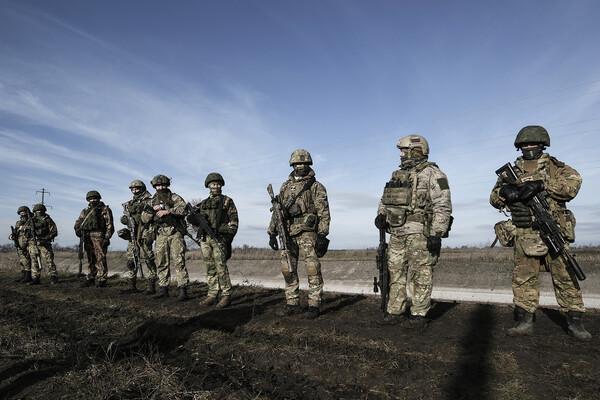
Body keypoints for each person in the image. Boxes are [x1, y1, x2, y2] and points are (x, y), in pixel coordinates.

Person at [490, 125, 591, 341]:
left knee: (565, 275)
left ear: (542, 144)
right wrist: (505, 192)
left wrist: (542, 184)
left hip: (553, 228)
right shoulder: (512, 171)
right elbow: (494, 197)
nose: (528, 147)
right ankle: (524, 321)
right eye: (524, 144)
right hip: (525, 232)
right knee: (523, 279)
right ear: (519, 146)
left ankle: (575, 321)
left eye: (532, 143)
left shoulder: (556, 167)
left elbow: (572, 187)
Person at [374, 135, 452, 327]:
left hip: (420, 232)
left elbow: (443, 204)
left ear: (415, 150)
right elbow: (385, 198)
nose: (401, 154)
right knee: (395, 273)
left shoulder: (436, 174)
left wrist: (437, 232)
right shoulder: (396, 175)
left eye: (403, 150)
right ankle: (395, 310)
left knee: (421, 274)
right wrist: (381, 215)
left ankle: (419, 314)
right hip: (396, 232)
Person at [268, 149, 330, 319]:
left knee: (312, 268)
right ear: (292, 165)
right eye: (297, 163)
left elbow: (323, 212)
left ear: (308, 164)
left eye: (303, 163)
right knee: (287, 269)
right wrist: (272, 232)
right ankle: (292, 302)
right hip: (287, 232)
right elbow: (277, 211)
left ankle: (314, 303)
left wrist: (323, 234)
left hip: (307, 232)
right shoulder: (285, 186)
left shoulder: (316, 187)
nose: (300, 166)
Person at [189, 173, 238, 309]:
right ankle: (212, 294)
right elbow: (191, 217)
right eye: (212, 184)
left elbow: (234, 221)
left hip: (220, 238)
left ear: (221, 185)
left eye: (217, 184)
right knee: (210, 267)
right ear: (208, 186)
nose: (215, 186)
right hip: (205, 239)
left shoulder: (227, 201)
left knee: (221, 266)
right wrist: (193, 218)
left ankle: (226, 295)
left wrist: (228, 238)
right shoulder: (203, 203)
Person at [141, 174, 190, 300]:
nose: (160, 187)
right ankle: (163, 288)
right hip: (160, 233)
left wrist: (168, 211)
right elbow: (144, 218)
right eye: (158, 185)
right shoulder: (151, 201)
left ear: (167, 185)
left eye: (163, 185)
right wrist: (152, 210)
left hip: (175, 232)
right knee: (161, 261)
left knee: (179, 261)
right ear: (154, 186)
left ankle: (183, 289)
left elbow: (184, 210)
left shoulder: (175, 197)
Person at [119, 180, 157, 294]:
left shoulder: (150, 200)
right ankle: (132, 285)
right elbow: (127, 217)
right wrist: (124, 219)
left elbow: (154, 217)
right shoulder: (129, 203)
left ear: (142, 188)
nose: (135, 191)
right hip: (132, 234)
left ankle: (151, 286)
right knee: (131, 260)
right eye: (133, 189)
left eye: (137, 188)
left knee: (148, 258)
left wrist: (152, 232)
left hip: (145, 231)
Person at [74, 191, 114, 287]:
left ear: (99, 198)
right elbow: (79, 222)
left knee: (100, 257)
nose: (93, 200)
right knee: (90, 257)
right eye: (91, 198)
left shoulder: (104, 209)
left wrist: (107, 237)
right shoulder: (85, 211)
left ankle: (101, 279)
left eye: (95, 198)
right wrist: (77, 229)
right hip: (87, 235)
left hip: (99, 235)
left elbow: (109, 225)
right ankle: (91, 276)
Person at [28, 203, 59, 284]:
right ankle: (35, 278)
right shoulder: (31, 220)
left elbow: (54, 231)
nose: (38, 212)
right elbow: (26, 231)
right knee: (34, 261)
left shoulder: (47, 219)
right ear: (34, 211)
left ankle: (53, 276)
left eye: (40, 210)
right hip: (33, 243)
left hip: (45, 243)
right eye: (37, 211)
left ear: (44, 211)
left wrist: (45, 239)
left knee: (49, 260)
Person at [9, 206, 33, 283]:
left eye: (23, 212)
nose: (22, 214)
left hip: (29, 242)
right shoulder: (18, 222)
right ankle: (24, 276)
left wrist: (24, 227)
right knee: (22, 260)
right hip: (19, 243)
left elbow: (34, 229)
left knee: (27, 260)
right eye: (20, 213)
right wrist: (13, 235)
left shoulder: (31, 221)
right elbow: (16, 232)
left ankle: (28, 277)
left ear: (27, 212)